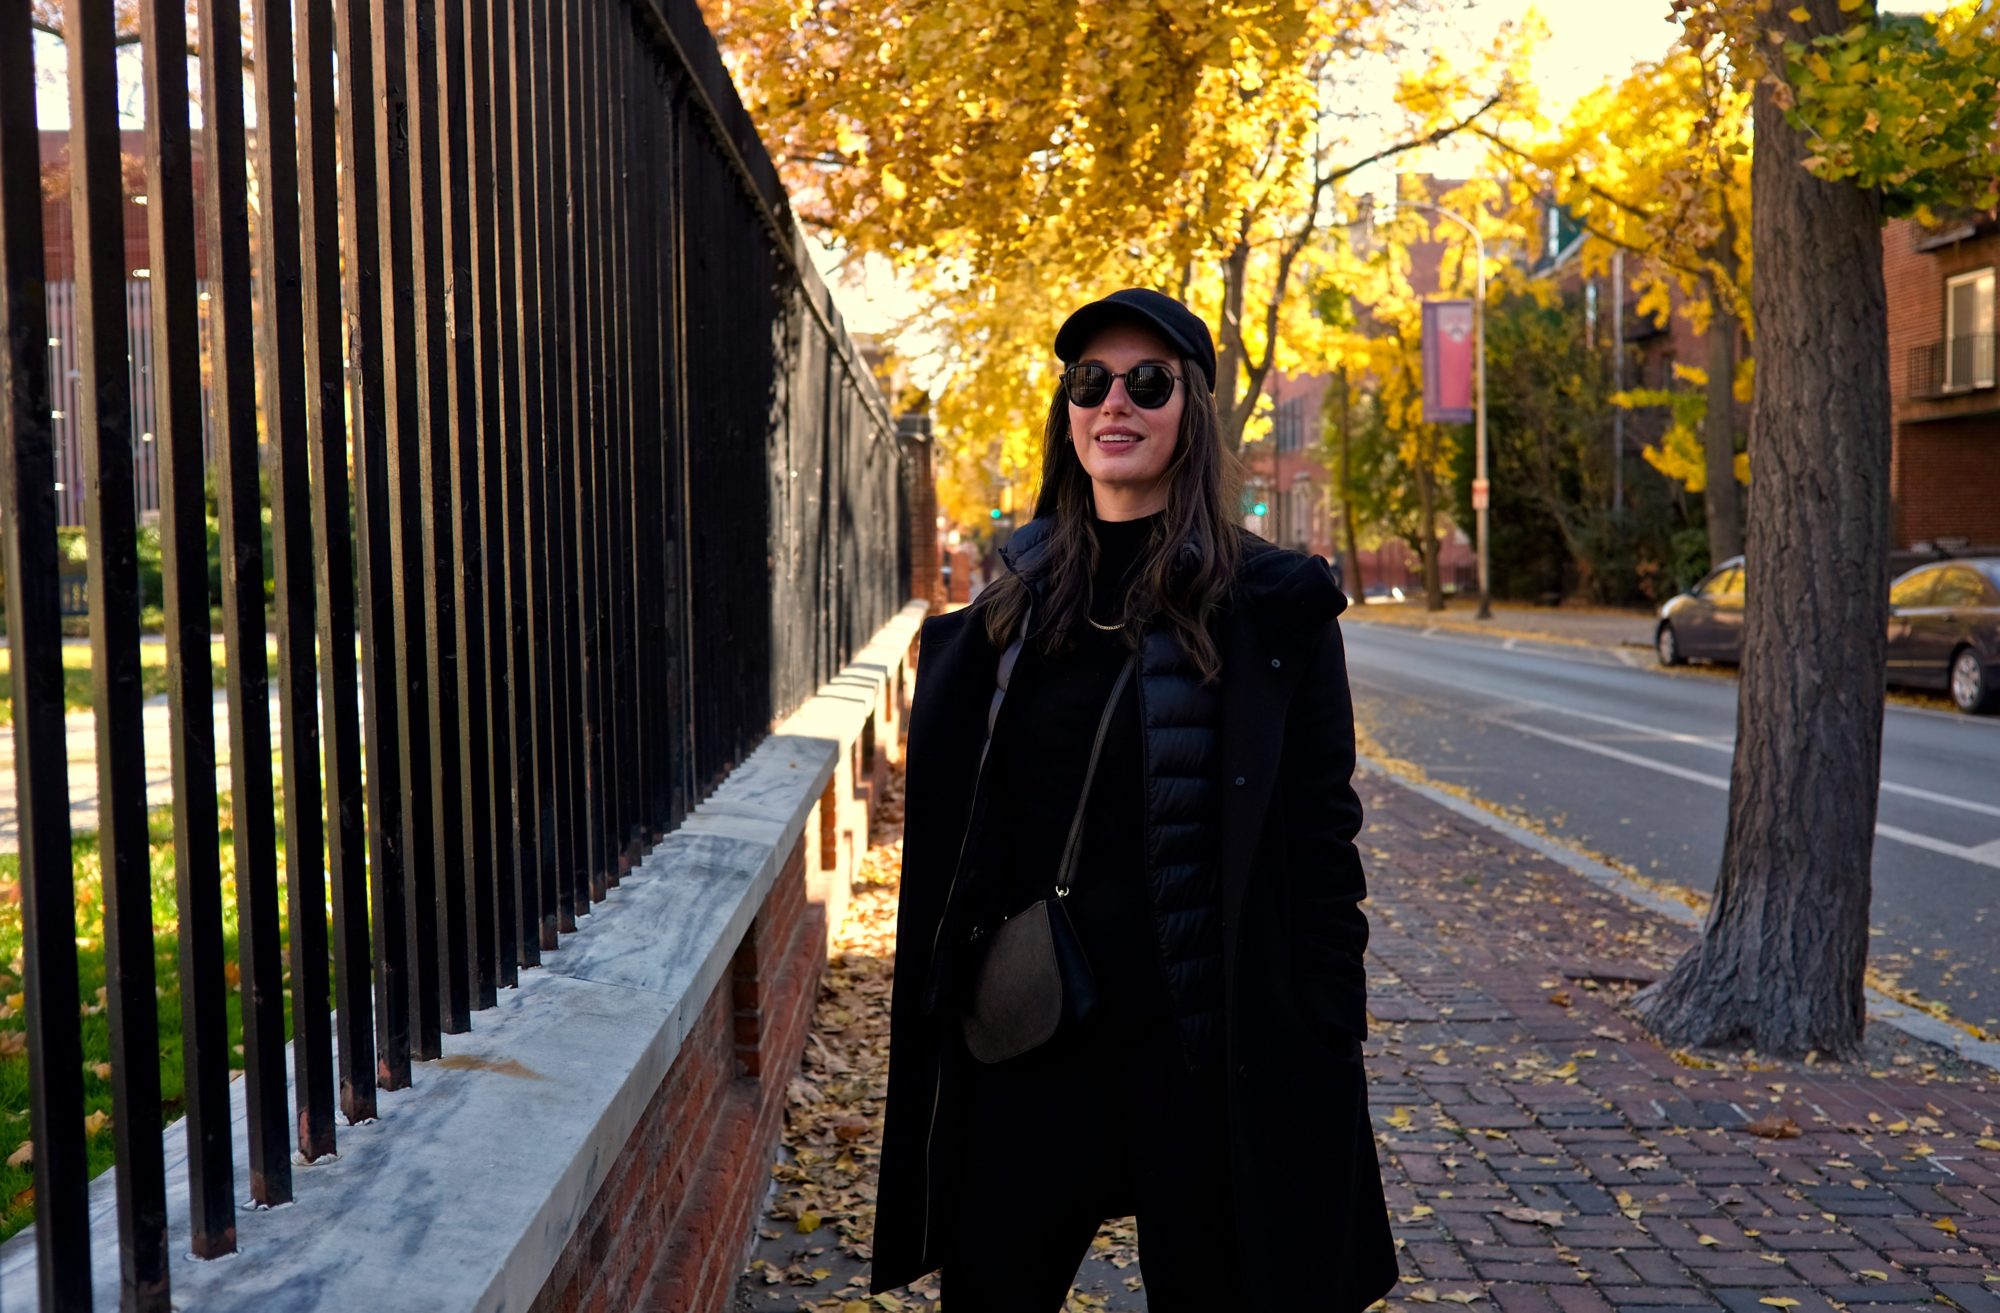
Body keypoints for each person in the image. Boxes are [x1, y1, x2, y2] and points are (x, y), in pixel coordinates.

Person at [871, 288, 1396, 1311]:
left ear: (1189, 408)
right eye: (1089, 382)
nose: (1115, 403)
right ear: (1067, 413)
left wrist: (1328, 1020)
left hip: (1197, 1051)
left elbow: (1321, 833)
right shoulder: (1011, 602)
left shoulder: (1270, 606)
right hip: (1031, 1032)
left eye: (1146, 382)